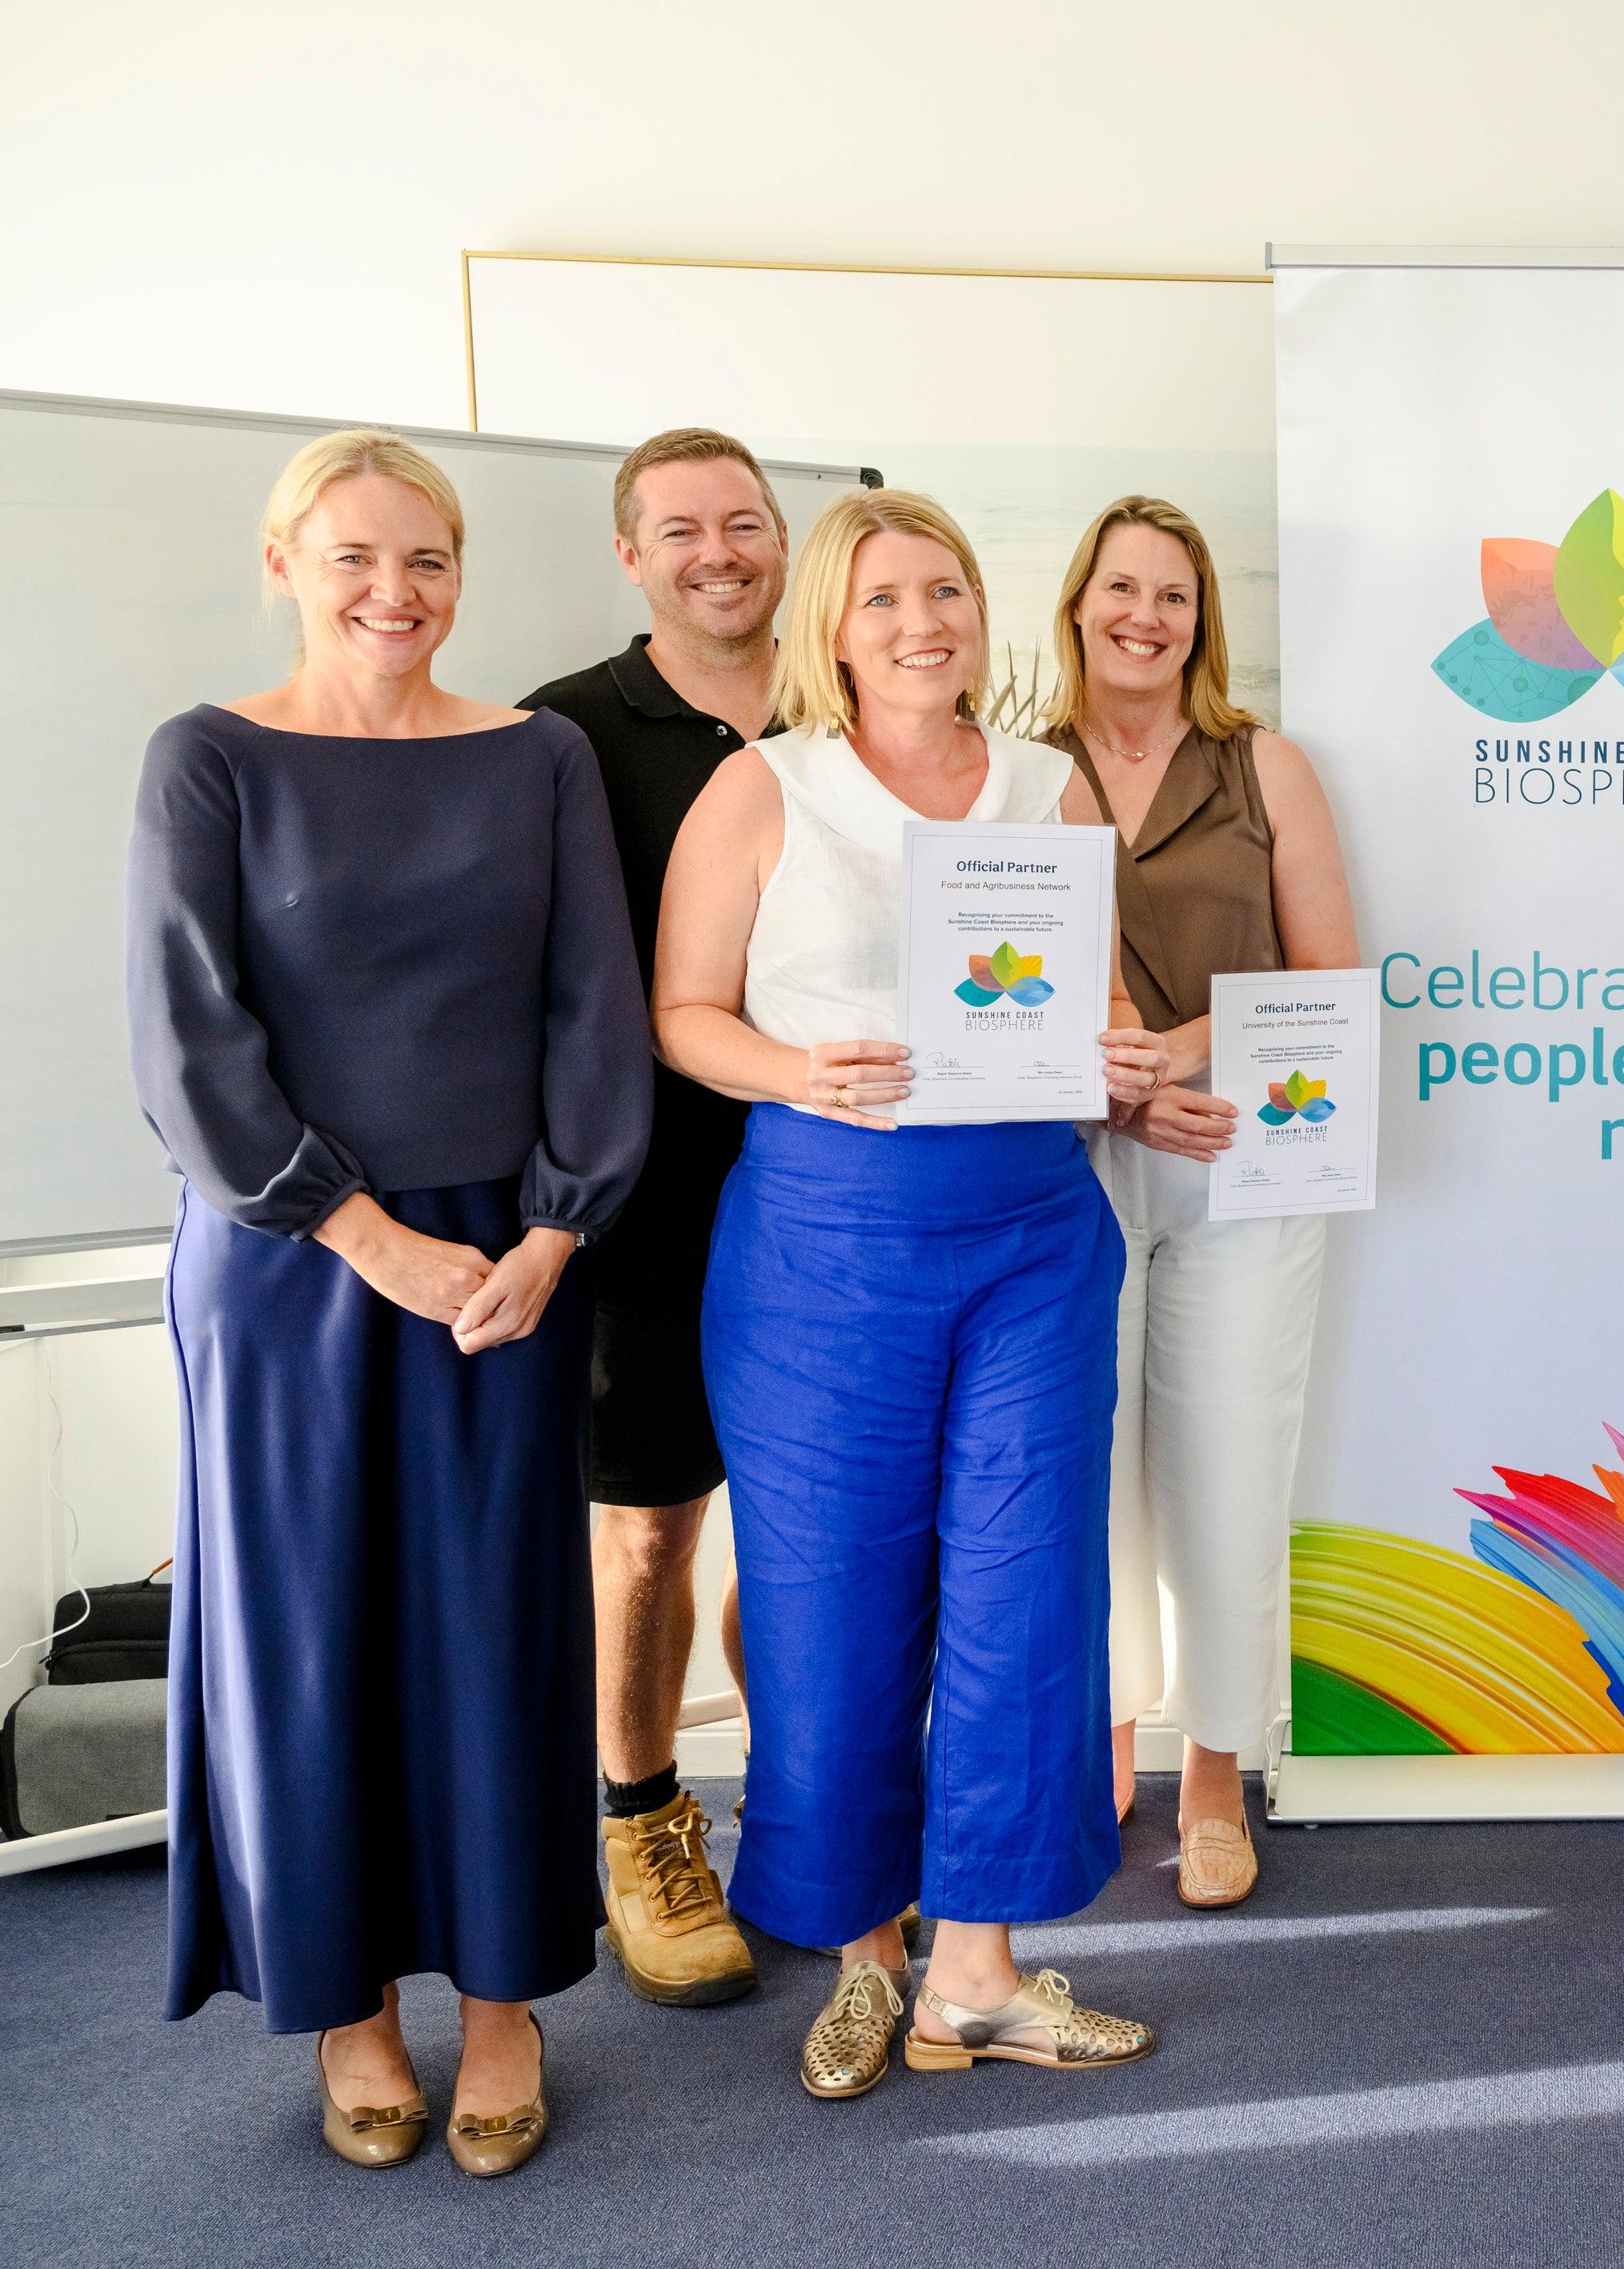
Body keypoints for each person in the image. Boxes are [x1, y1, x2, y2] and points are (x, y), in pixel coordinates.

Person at [130, 429, 649, 2175]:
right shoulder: (206, 758)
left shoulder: (541, 756)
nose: (393, 591)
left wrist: (555, 1234)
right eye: (354, 555)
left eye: (426, 559)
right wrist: (366, 1237)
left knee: (499, 1632)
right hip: (286, 1263)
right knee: (307, 1636)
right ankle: (351, 2012)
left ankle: (504, 2008)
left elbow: (594, 1007)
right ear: (284, 560)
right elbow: (191, 1042)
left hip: (508, 1263)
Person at [652, 489, 1163, 2095]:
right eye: (881, 597)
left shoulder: (1049, 789)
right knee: (829, 1603)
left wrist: (1125, 1056)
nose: (920, 621)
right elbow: (682, 1010)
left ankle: (980, 1976)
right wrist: (799, 1065)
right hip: (821, 1242)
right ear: (829, 621)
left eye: (944, 587)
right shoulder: (760, 789)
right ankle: (866, 1958)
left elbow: (1097, 1007)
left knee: (1026, 1594)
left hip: (1027, 1232)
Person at [1041, 495, 1357, 1906]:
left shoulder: (1262, 766)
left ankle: (1218, 1773)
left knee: (1228, 1466)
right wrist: (1111, 1085)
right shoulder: (1011, 769)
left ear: (1202, 619)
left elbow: (1330, 976)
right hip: (1064, 1163)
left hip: (1245, 1150)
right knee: (1080, 1473)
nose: (1146, 617)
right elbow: (990, 981)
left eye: (1174, 595)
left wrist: (1172, 1059)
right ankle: (1102, 1747)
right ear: (1078, 602)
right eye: (1124, 588)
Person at [520, 428, 785, 2008]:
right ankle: (645, 1824)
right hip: (644, 1193)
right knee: (644, 1536)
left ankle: (814, 1812)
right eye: (679, 527)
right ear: (631, 554)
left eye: (745, 522)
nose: (718, 550)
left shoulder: (856, 708)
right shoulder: (557, 733)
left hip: (842, 1186)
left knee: (824, 1532)